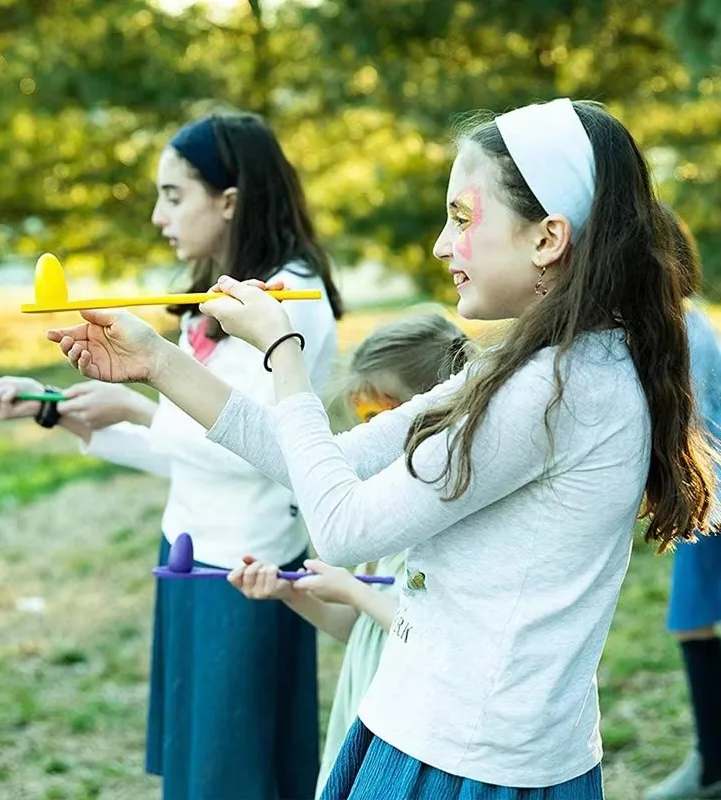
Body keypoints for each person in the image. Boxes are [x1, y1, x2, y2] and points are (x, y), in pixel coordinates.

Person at [46, 98, 716, 799]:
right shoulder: (538, 367)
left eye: (461, 217)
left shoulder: (556, 390)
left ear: (548, 238)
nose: (440, 244)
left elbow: (341, 527)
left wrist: (283, 353)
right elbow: (327, 457)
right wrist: (157, 362)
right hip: (445, 731)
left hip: (469, 763)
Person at [0, 112, 343, 800]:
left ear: (229, 200)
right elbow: (192, 454)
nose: (156, 214)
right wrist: (58, 411)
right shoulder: (220, 296)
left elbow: (260, 450)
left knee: (235, 781)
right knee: (198, 776)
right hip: (190, 556)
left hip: (245, 575)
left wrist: (138, 405)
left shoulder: (288, 298)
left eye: (173, 195)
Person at [227, 312, 469, 798]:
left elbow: (426, 629)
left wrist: (354, 591)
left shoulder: (447, 518)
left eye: (383, 420)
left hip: (417, 730)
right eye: (364, 422)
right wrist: (295, 595)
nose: (375, 437)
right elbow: (358, 632)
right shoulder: (379, 514)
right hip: (365, 714)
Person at [644, 207, 721, 800]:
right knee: (693, 623)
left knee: (696, 623)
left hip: (713, 497)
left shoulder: (683, 332)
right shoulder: (681, 324)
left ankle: (709, 761)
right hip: (707, 497)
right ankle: (710, 758)